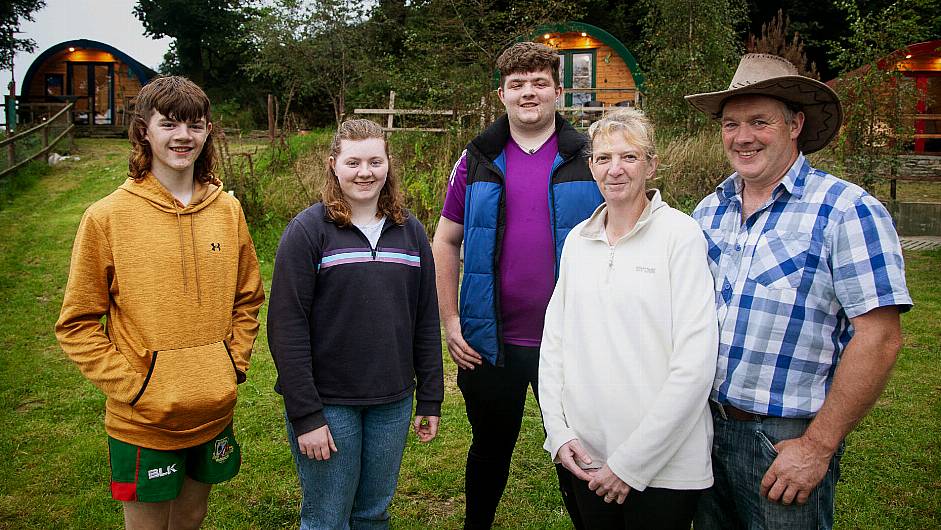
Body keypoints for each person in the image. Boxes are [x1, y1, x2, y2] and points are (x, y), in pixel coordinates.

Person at [685, 53, 913, 529]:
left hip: (783, 438)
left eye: (759, 122)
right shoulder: (708, 212)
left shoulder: (847, 211)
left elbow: (880, 338)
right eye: (731, 124)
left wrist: (817, 447)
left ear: (795, 125)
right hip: (701, 429)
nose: (742, 137)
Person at [55, 76, 265, 530]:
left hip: (213, 408)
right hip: (143, 418)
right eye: (169, 124)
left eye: (194, 125)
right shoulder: (106, 217)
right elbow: (77, 323)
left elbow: (248, 297)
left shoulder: (228, 211)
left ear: (208, 131)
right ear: (143, 131)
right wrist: (136, 386)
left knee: (191, 517)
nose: (182, 136)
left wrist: (232, 363)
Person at [432, 41, 604, 529]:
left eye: (539, 83)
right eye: (517, 85)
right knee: (489, 447)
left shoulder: (590, 156)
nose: (528, 93)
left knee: (580, 451)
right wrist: (451, 320)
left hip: (574, 343)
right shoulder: (477, 159)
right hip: (491, 342)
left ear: (558, 91)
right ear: (501, 94)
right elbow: (445, 241)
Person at [538, 108, 718, 529]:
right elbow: (555, 345)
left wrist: (631, 464)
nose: (614, 169)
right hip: (586, 457)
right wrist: (559, 434)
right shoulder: (578, 242)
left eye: (629, 157)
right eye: (603, 158)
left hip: (665, 465)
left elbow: (694, 364)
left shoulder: (681, 236)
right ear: (591, 167)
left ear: (652, 164)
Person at [267, 118, 443, 530]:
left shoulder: (410, 232)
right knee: (328, 517)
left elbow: (424, 317)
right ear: (333, 165)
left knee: (372, 513)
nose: (365, 172)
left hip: (392, 402)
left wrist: (430, 396)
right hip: (329, 403)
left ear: (388, 164)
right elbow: (286, 327)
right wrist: (306, 416)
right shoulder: (308, 231)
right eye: (353, 162)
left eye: (374, 161)